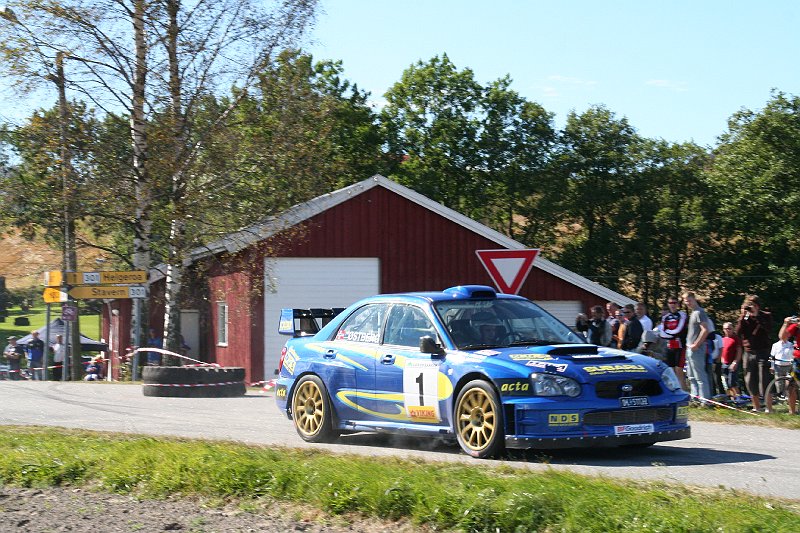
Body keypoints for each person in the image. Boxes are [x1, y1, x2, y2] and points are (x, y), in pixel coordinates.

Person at [735, 294, 773, 412]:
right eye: (749, 305)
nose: (751, 308)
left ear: (757, 306)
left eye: (753, 305)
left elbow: (768, 329)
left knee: (765, 380)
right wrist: (743, 316)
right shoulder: (745, 319)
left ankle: (769, 407)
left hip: (763, 351)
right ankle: (756, 407)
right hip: (749, 352)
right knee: (750, 380)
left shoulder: (766, 316)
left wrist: (757, 316)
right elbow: (738, 333)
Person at [682, 292, 711, 405]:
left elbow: (705, 330)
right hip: (689, 348)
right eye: (685, 301)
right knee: (691, 376)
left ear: (694, 299)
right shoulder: (693, 313)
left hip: (696, 349)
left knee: (700, 376)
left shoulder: (700, 312)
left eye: (689, 300)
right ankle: (695, 399)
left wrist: (696, 344)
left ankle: (705, 401)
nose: (688, 303)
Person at [659, 296, 688, 390]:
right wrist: (670, 334)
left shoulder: (682, 315)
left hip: (680, 346)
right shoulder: (665, 317)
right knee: (671, 371)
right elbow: (662, 333)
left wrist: (668, 333)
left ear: (678, 304)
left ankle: (684, 392)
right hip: (669, 346)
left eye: (674, 303)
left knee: (679, 371)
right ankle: (675, 391)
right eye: (670, 303)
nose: (673, 305)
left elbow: (679, 329)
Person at [776, 315, 800, 415]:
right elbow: (783, 337)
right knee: (791, 384)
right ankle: (792, 411)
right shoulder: (797, 326)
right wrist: (786, 323)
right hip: (797, 359)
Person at [719, 322, 742, 398]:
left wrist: (735, 362)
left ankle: (739, 398)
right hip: (724, 364)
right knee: (726, 384)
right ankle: (733, 398)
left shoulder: (735, 339)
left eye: (729, 328)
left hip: (732, 363)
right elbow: (722, 351)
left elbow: (739, 351)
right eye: (725, 329)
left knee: (732, 382)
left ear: (732, 329)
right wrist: (721, 359)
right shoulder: (723, 339)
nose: (727, 330)